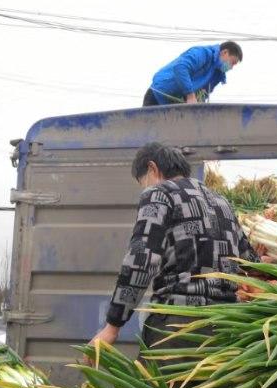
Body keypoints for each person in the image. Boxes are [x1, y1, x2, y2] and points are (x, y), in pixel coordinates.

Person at [90, 143, 257, 348]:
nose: (145, 188)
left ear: (152, 169)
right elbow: (249, 261)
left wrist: (112, 326)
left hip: (178, 328)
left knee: (163, 382)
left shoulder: (159, 194)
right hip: (226, 329)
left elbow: (142, 260)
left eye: (143, 182)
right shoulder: (221, 201)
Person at [142, 41, 243, 106]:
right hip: (158, 95)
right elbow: (181, 68)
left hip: (176, 106)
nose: (231, 67)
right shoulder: (203, 53)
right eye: (232, 62)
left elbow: (202, 95)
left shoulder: (216, 75)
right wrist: (190, 95)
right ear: (225, 52)